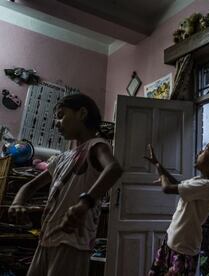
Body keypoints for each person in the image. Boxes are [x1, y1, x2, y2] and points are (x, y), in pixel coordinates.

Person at [8, 93, 123, 276]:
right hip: (46, 238)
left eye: (61, 115)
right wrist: (17, 203)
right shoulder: (62, 158)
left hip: (72, 242)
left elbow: (114, 168)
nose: (56, 123)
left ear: (82, 114)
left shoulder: (96, 145)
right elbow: (29, 187)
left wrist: (85, 203)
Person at [145, 139, 209, 276]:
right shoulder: (198, 181)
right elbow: (177, 184)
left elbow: (167, 188)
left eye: (206, 149)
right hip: (171, 242)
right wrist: (159, 165)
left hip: (183, 249)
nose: (200, 151)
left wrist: (161, 173)